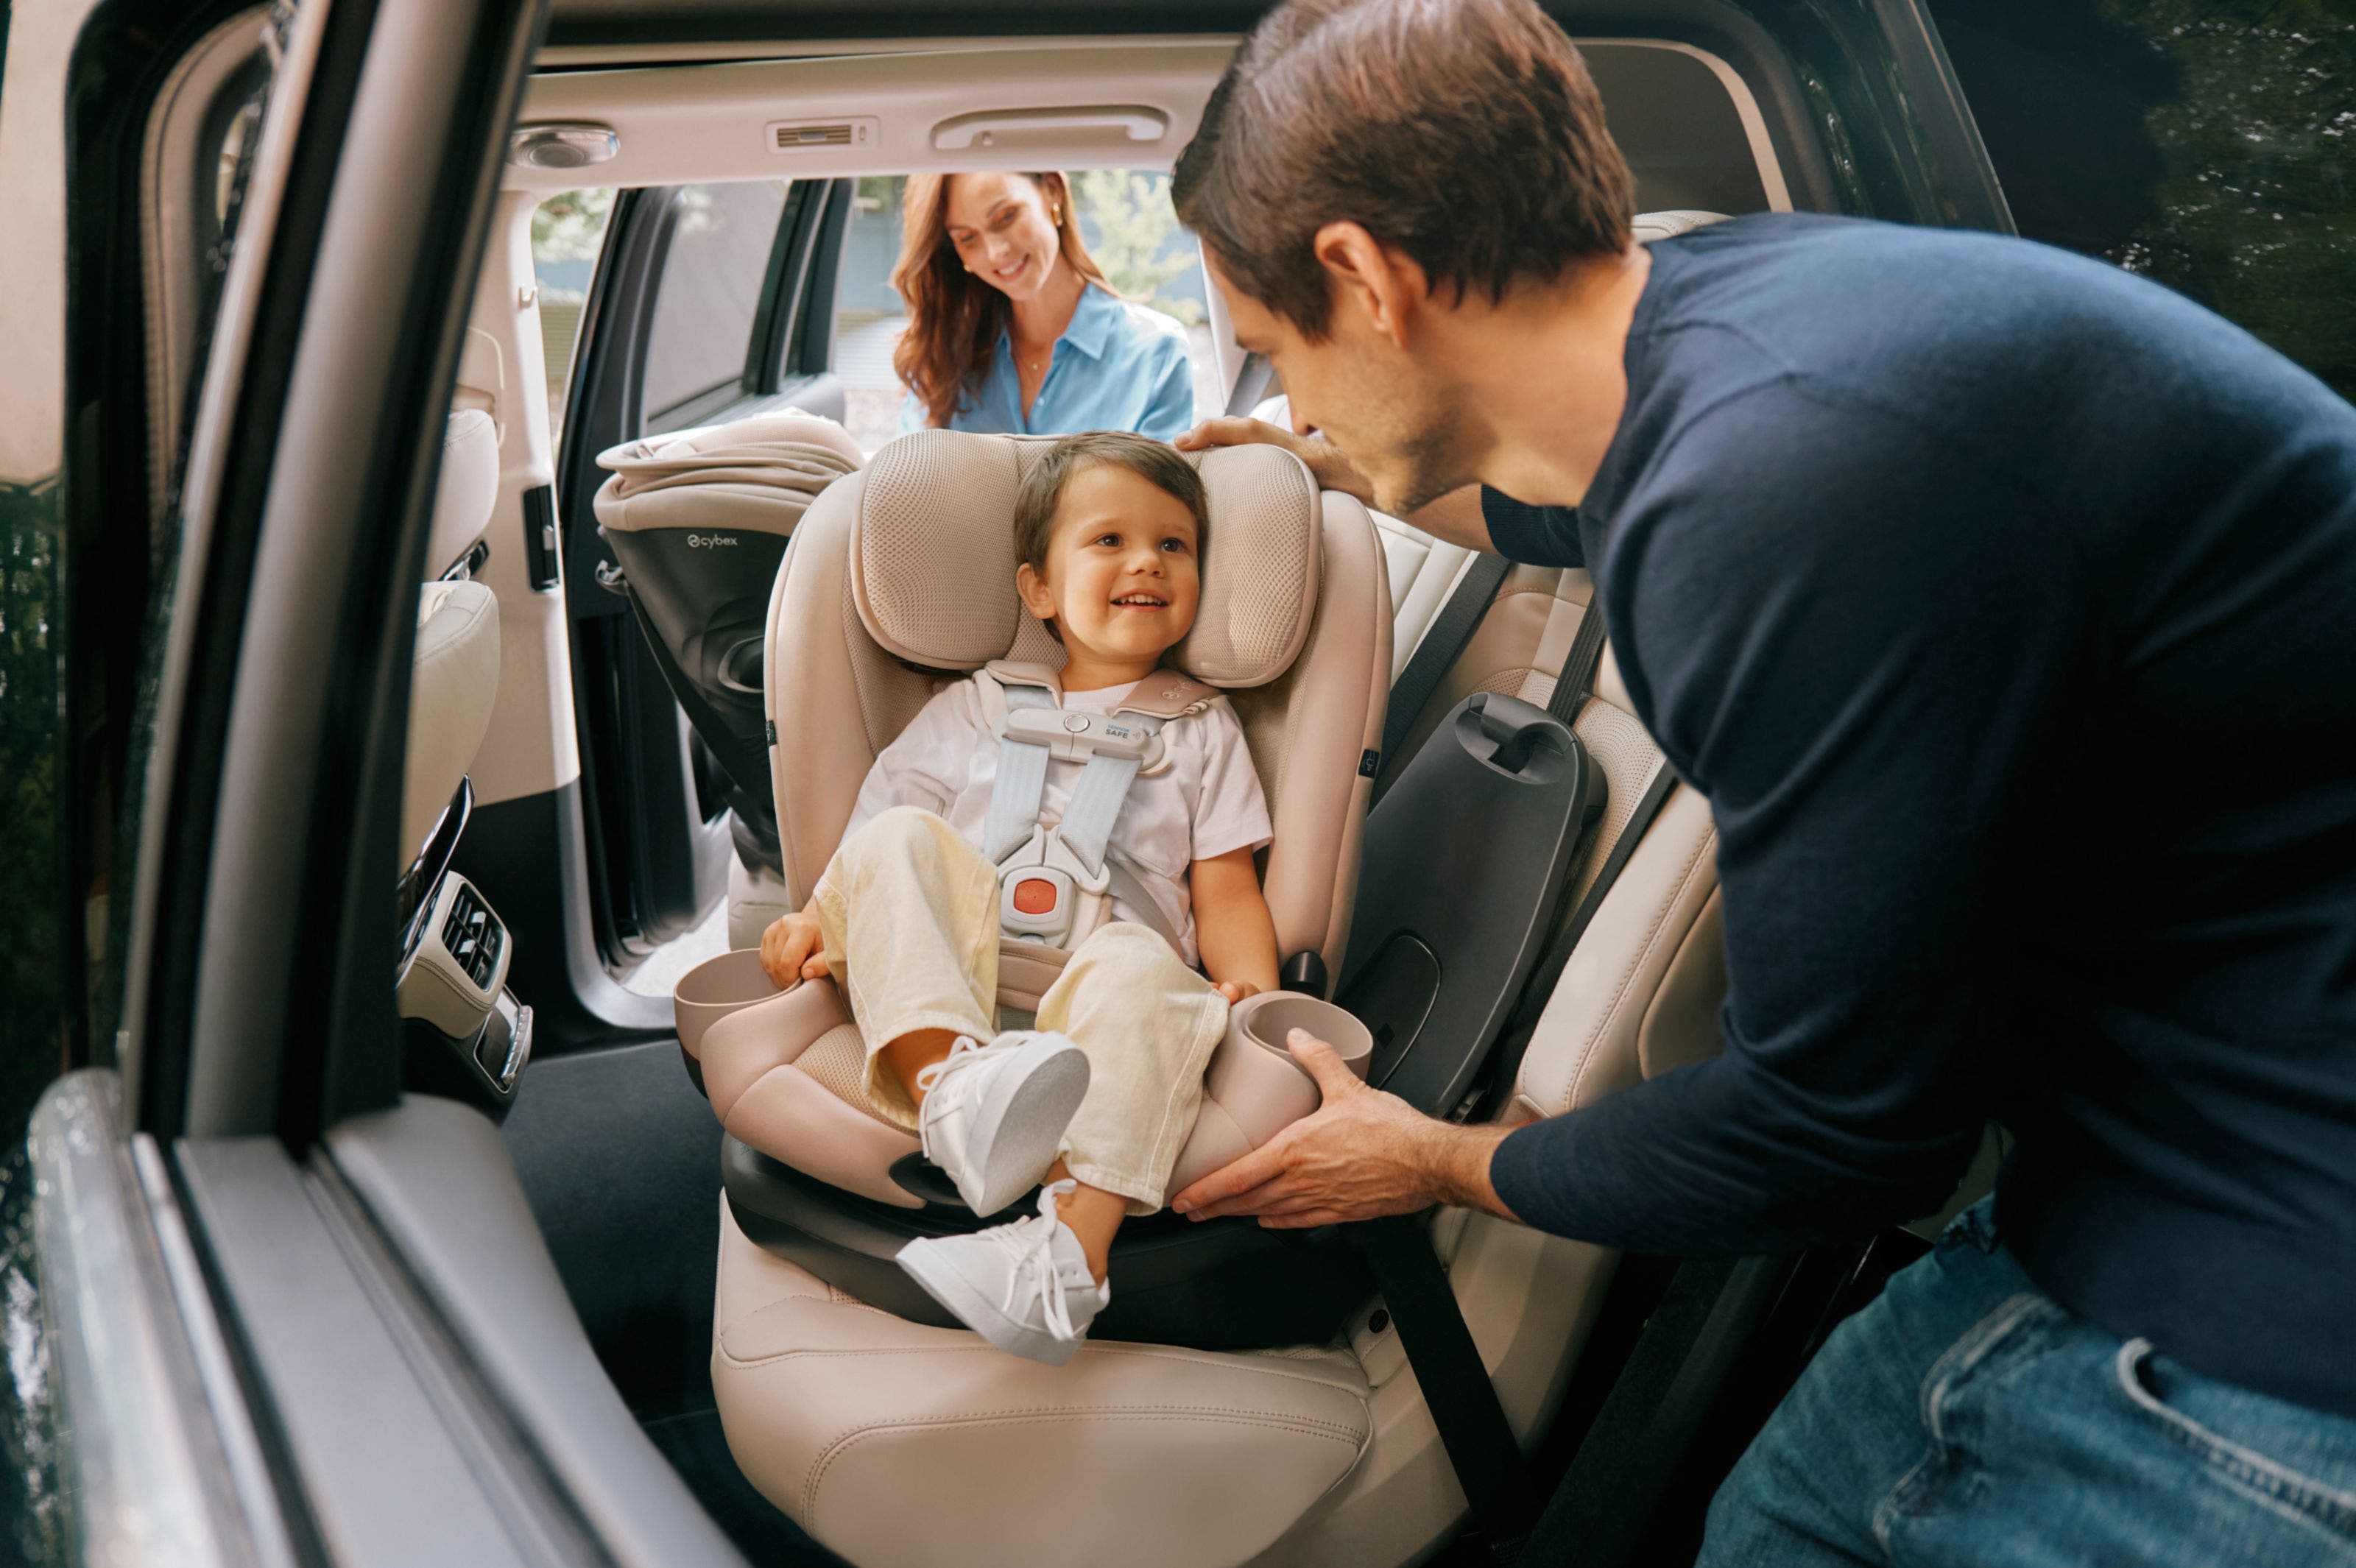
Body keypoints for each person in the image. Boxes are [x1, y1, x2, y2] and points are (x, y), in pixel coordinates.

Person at [1159, 0, 2356, 1561]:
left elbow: (1839, 1132)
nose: (1283, 395)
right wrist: (1330, 467)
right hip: (2135, 1163)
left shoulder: (1786, 486)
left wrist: (1426, 1161)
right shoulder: (1724, 329)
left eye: (1277, 353)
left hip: (2279, 1323)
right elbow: (1568, 513)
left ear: (1365, 281)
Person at [757, 431, 1279, 1365]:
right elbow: (880, 840)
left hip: (1105, 1003)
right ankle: (952, 1092)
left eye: (1174, 544)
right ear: (1037, 589)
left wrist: (1247, 984)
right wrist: (815, 915)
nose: (1145, 563)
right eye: (1108, 541)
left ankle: (1064, 1260)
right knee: (902, 838)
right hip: (954, 982)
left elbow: (1226, 883)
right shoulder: (973, 705)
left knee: (1139, 965)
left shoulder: (1203, 729)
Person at [892, 172, 1196, 440]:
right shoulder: (943, 361)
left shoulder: (1155, 355)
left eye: (1006, 217)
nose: (997, 253)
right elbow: (908, 488)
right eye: (968, 238)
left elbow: (1154, 501)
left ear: (1054, 192)